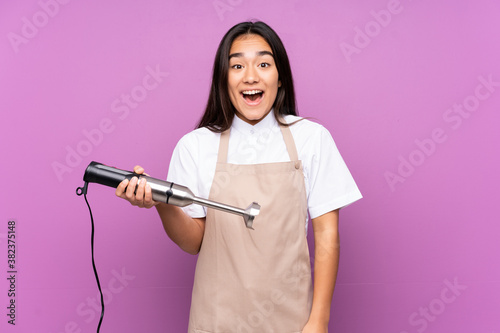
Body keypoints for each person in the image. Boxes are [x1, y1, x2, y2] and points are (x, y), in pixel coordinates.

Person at [116, 21, 362, 333]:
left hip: (292, 319)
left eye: (263, 63)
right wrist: (162, 203)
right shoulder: (195, 146)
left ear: (280, 75)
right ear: (224, 78)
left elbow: (327, 236)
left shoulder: (312, 139)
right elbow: (193, 242)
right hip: (217, 319)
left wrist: (319, 320)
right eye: (237, 65)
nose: (250, 76)